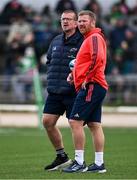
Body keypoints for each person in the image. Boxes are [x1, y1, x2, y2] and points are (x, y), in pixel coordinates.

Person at [62, 10, 108, 173]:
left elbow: (97, 58)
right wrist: (74, 75)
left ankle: (79, 162)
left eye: (84, 21)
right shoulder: (89, 39)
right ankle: (99, 164)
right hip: (94, 84)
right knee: (94, 125)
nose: (81, 24)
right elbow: (88, 61)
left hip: (92, 85)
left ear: (93, 22)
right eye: (79, 21)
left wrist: (86, 78)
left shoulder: (94, 37)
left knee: (75, 122)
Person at [42, 10, 83, 171]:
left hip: (73, 91)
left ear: (75, 23)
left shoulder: (82, 41)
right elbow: (49, 61)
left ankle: (80, 161)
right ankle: (62, 156)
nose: (65, 22)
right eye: (63, 19)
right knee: (47, 122)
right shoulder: (56, 40)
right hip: (55, 91)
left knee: (76, 125)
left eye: (68, 19)